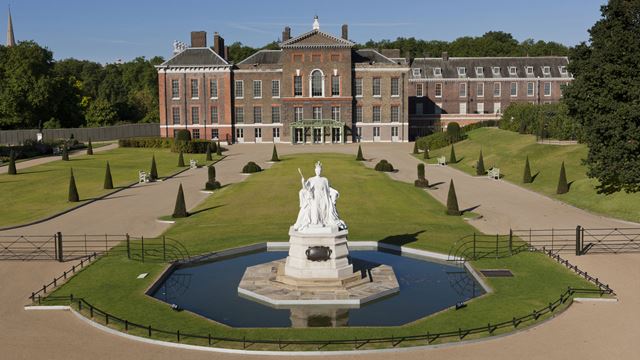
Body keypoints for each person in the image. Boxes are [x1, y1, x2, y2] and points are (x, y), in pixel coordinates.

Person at [293, 162, 347, 231]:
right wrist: (303, 182)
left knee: (323, 213)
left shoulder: (325, 180)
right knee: (315, 217)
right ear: (315, 171)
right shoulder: (311, 179)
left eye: (319, 170)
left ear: (321, 171)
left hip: (323, 199)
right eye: (317, 170)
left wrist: (334, 193)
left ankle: (322, 223)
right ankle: (316, 224)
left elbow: (328, 189)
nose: (318, 172)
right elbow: (306, 188)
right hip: (314, 199)